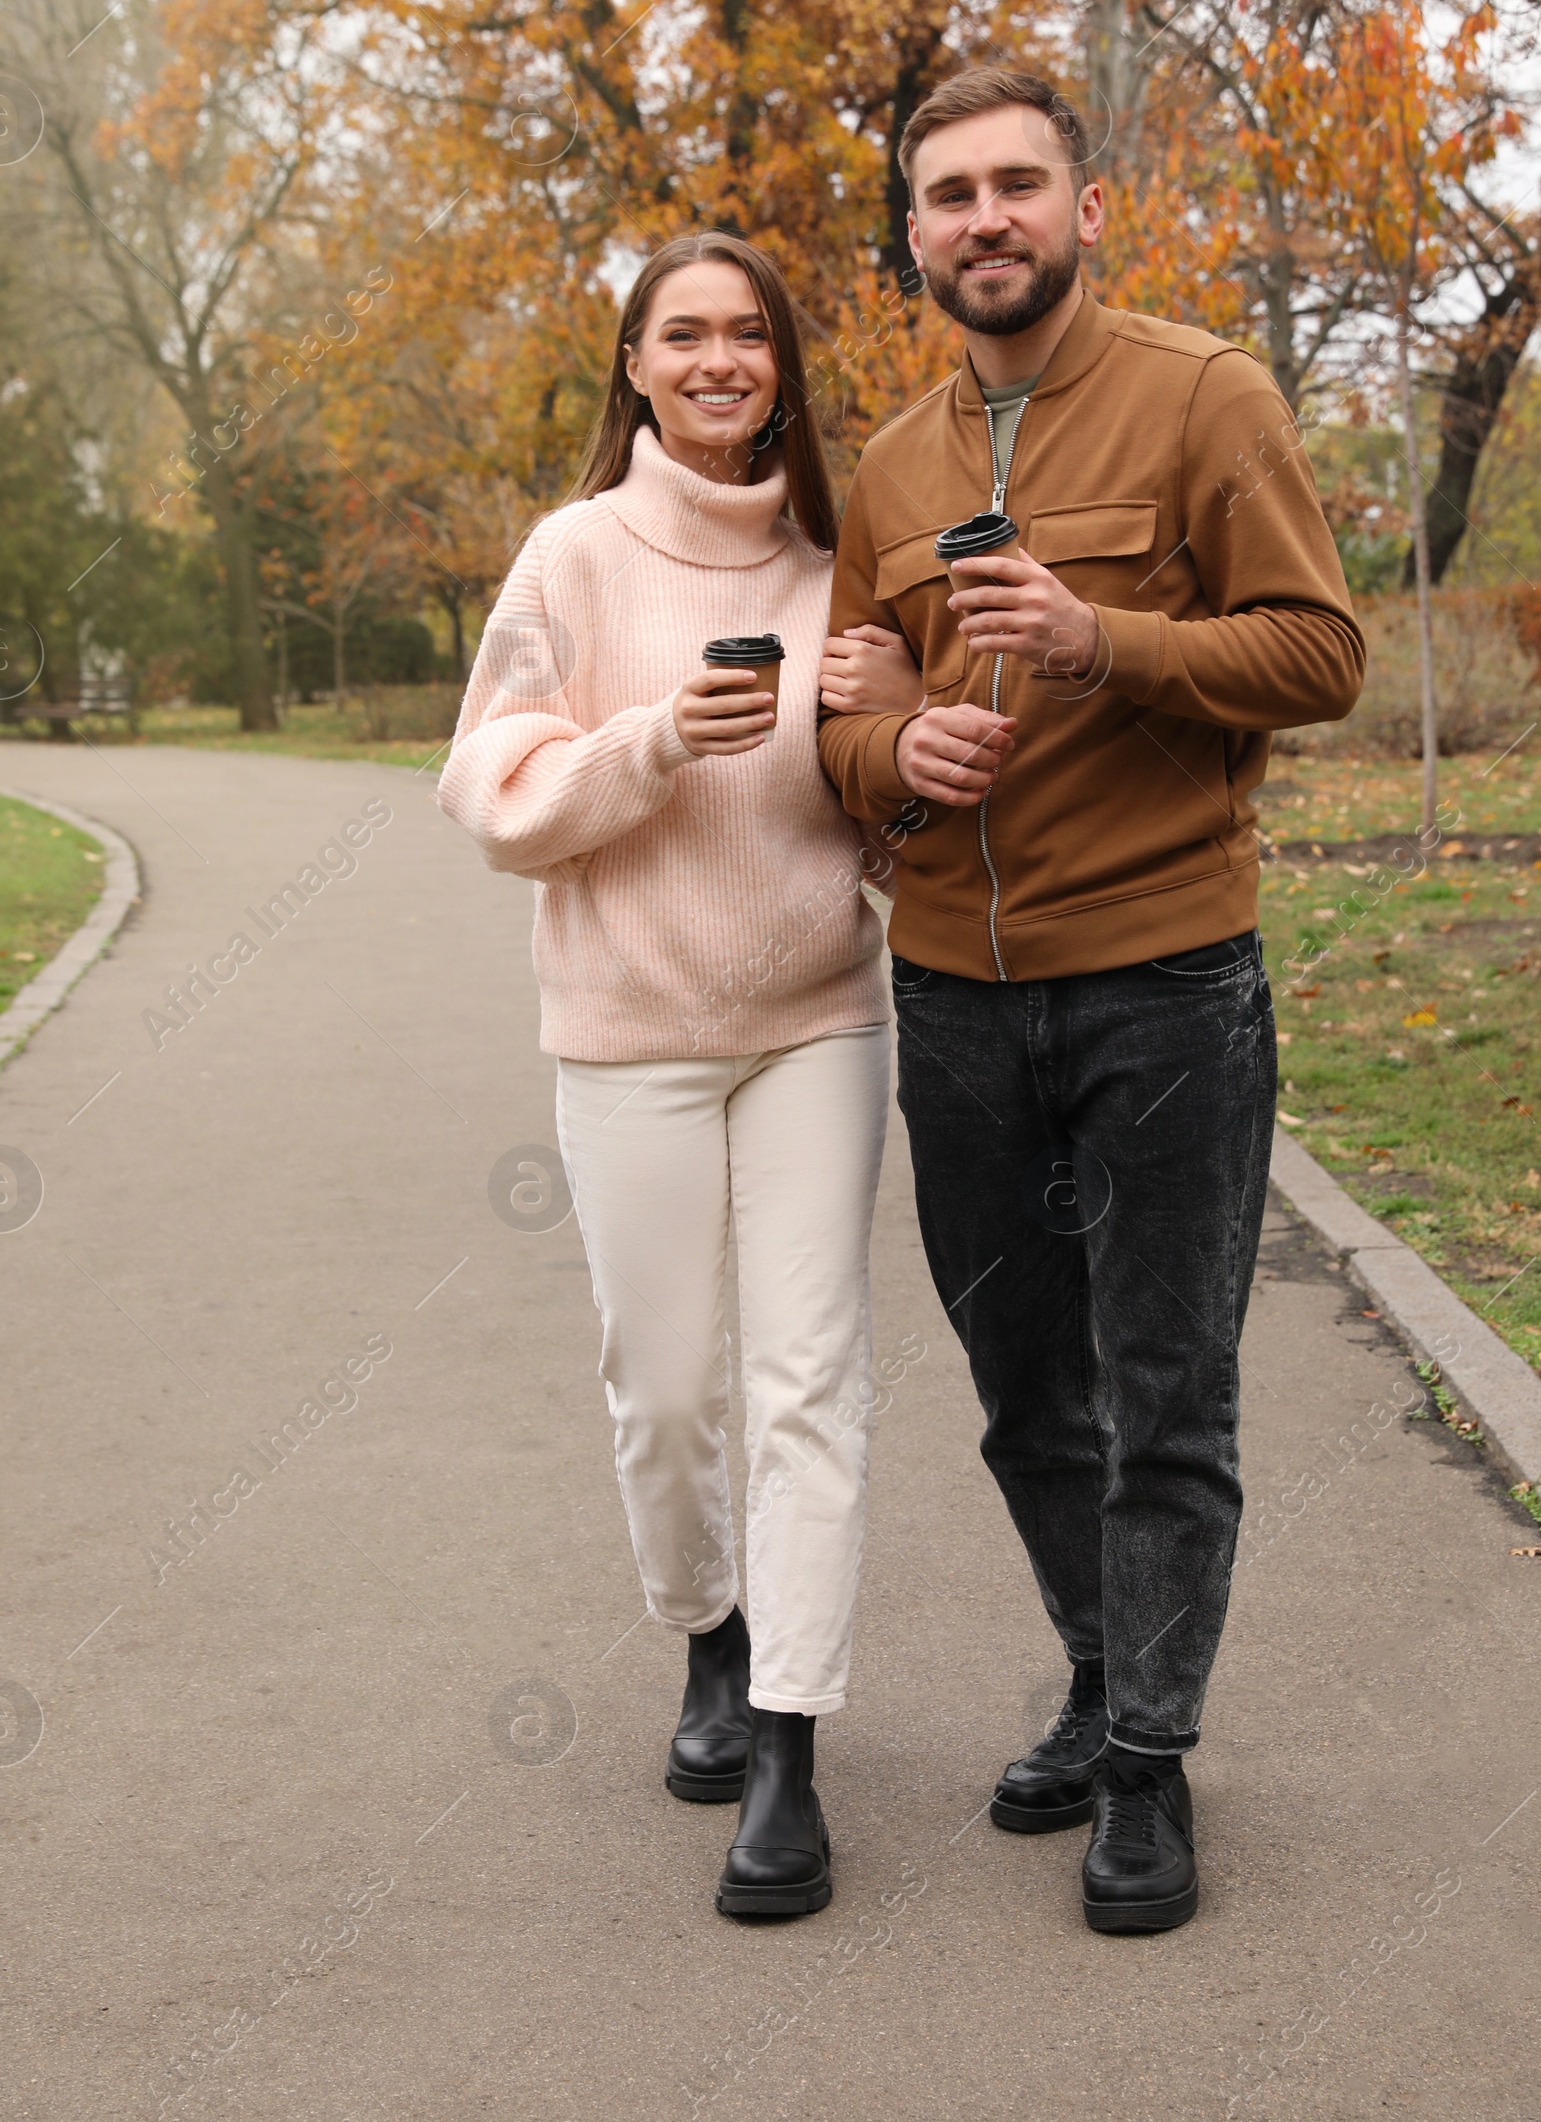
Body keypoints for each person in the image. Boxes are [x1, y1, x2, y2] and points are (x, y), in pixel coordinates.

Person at [818, 67, 1365, 1934]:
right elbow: (842, 720)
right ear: (914, 235)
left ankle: (1148, 1761)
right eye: (950, 195)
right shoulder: (887, 465)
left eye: (1018, 186)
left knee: (1166, 1392)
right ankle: (1099, 1665)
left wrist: (1101, 639)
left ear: (1084, 205)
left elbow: (1319, 651)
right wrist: (902, 753)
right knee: (1023, 1392)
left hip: (1167, 984)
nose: (987, 220)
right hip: (957, 1001)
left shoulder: (1207, 397)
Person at [439, 232, 923, 1920]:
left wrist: (898, 713)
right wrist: (652, 745)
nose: (721, 361)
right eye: (684, 336)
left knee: (809, 1381)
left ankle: (786, 1744)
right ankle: (708, 1633)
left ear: (781, 366)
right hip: (631, 1033)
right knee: (665, 1389)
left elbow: (888, 818)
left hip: (816, 1021)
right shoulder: (570, 559)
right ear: (637, 368)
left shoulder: (837, 560)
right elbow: (488, 798)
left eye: (748, 336)